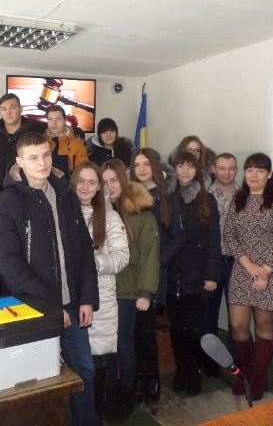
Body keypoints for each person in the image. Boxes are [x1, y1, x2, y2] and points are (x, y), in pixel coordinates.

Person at [0, 132, 100, 426]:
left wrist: (87, 297)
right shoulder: (5, 204)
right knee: (38, 386)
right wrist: (52, 308)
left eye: (46, 155)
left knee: (84, 373)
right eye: (34, 157)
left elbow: (84, 250)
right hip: (33, 309)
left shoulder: (65, 195)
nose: (42, 163)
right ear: (20, 162)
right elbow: (9, 267)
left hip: (72, 304)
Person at [225, 153, 273, 400]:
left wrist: (264, 271)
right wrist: (248, 265)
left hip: (271, 272)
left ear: (269, 174)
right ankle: (251, 375)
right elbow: (229, 235)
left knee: (264, 324)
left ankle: (258, 379)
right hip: (243, 269)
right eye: (250, 170)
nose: (254, 175)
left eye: (260, 170)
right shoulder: (238, 199)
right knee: (238, 326)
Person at [70, 161, 129, 422]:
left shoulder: (110, 216)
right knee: (76, 363)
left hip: (101, 298)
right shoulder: (64, 211)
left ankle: (96, 415)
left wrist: (90, 262)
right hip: (70, 297)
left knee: (98, 362)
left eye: (91, 182)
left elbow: (122, 257)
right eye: (81, 181)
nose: (85, 187)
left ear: (99, 188)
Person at [100, 159, 159, 420]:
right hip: (103, 289)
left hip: (128, 289)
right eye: (104, 182)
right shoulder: (98, 211)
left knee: (123, 341)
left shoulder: (141, 215)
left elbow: (149, 255)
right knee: (107, 343)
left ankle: (126, 391)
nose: (110, 186)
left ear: (124, 182)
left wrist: (146, 292)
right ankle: (110, 388)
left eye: (114, 180)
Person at [129, 148, 187, 404]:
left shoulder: (167, 197)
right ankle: (138, 376)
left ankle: (152, 378)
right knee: (132, 331)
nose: (141, 169)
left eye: (146, 164)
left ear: (156, 166)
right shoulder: (127, 194)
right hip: (128, 274)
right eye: (137, 164)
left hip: (154, 275)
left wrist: (158, 260)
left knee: (145, 331)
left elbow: (178, 237)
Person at [167, 151, 221, 395]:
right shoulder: (168, 197)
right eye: (181, 166)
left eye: (190, 166)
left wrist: (211, 274)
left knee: (194, 329)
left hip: (196, 274)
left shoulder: (206, 199)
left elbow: (213, 240)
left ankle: (193, 374)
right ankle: (182, 370)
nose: (185, 171)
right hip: (172, 274)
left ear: (197, 170)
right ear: (174, 169)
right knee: (176, 328)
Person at [204, 152, 240, 376]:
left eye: (231, 168)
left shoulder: (245, 196)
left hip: (238, 263)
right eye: (222, 168)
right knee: (209, 315)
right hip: (212, 264)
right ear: (213, 170)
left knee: (237, 319)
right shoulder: (205, 196)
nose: (226, 173)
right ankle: (211, 362)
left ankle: (234, 362)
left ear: (237, 170)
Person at [0, 93, 33, 222]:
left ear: (20, 109)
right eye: (4, 109)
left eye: (12, 107)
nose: (8, 112)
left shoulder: (33, 136)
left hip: (25, 199)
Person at [44, 105, 89, 178]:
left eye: (58, 119)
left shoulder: (78, 147)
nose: (54, 123)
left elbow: (83, 175)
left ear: (65, 120)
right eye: (50, 119)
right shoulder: (40, 144)